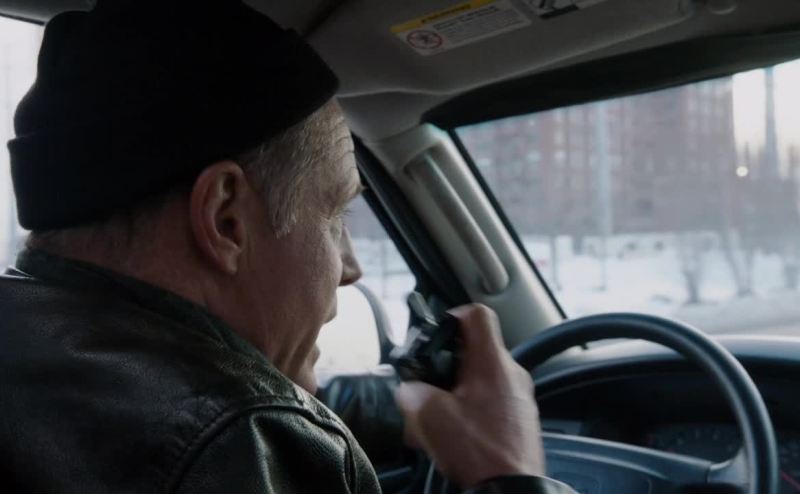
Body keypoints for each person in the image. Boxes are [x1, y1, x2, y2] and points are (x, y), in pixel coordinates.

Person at [0, 0, 574, 493]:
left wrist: (406, 410)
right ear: (226, 219)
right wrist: (509, 473)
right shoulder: (239, 447)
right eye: (336, 215)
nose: (350, 268)